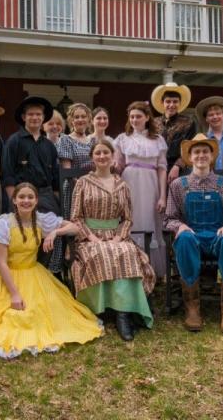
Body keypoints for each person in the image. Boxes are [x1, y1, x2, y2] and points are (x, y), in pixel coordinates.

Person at [0, 183, 103, 356]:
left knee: (51, 311)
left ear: (36, 200)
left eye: (30, 197)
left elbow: (75, 227)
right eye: (22, 197)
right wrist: (15, 293)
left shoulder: (41, 219)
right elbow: (1, 263)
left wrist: (55, 233)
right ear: (15, 200)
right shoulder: (5, 223)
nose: (26, 200)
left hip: (34, 273)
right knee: (17, 316)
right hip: (9, 276)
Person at [164, 134, 223, 334]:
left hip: (217, 238)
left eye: (205, 152)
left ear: (212, 157)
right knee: (184, 238)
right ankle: (192, 308)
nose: (201, 155)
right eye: (197, 152)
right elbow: (169, 218)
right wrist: (180, 227)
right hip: (192, 238)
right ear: (190, 157)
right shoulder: (178, 185)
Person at [70, 140, 155, 340]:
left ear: (112, 156)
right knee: (100, 253)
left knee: (125, 252)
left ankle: (123, 314)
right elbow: (76, 217)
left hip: (116, 235)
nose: (102, 156)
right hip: (90, 236)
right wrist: (91, 237)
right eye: (98, 153)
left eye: (105, 152)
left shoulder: (122, 185)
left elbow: (127, 218)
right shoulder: (82, 183)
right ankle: (97, 309)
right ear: (92, 157)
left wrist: (118, 237)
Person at [113, 101, 168, 276]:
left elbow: (162, 169)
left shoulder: (158, 140)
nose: (135, 119)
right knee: (131, 219)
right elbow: (118, 167)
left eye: (138, 116)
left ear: (147, 117)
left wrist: (162, 196)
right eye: (132, 116)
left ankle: (150, 269)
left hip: (151, 183)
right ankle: (130, 267)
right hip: (129, 182)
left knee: (150, 220)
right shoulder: (123, 139)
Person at [2, 96, 61, 216]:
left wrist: (55, 200)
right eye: (31, 114)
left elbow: (55, 177)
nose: (35, 117)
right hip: (23, 197)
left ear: (43, 117)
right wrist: (14, 202)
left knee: (49, 233)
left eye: (38, 114)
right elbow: (8, 175)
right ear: (24, 117)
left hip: (46, 197)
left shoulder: (49, 145)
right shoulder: (14, 141)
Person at [56, 103, 96, 274]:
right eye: (76, 117)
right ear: (71, 120)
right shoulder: (65, 139)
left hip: (93, 188)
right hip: (73, 188)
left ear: (89, 120)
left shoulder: (94, 141)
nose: (80, 120)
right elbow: (68, 169)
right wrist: (83, 185)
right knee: (73, 223)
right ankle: (68, 261)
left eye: (83, 116)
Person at [150, 83, 197, 182]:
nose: (171, 105)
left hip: (179, 169)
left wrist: (177, 166)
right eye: (168, 101)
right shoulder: (154, 123)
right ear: (162, 103)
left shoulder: (188, 122)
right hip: (155, 167)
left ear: (180, 103)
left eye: (175, 102)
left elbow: (190, 147)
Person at [194, 96, 223, 179]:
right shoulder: (200, 138)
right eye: (211, 115)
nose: (215, 117)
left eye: (218, 113)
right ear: (206, 119)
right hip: (207, 180)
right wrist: (177, 166)